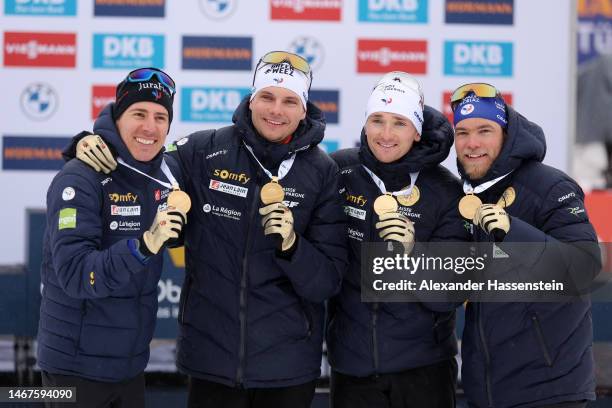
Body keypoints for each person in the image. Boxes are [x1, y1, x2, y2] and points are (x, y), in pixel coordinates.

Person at [71, 51, 348, 408]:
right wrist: (90, 140)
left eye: (289, 101)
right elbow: (139, 163)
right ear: (251, 99)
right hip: (211, 362)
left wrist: (293, 246)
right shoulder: (202, 150)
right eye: (267, 96)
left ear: (304, 108)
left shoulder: (322, 172)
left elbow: (326, 281)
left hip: (288, 370)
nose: (276, 110)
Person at [37, 67, 187, 407]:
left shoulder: (165, 173)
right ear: (117, 116)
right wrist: (145, 246)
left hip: (129, 367)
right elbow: (77, 276)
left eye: (160, 117)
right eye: (139, 113)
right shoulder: (79, 178)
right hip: (72, 370)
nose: (150, 127)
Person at [450, 83, 602, 408]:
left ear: (506, 134)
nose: (471, 143)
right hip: (489, 393)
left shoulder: (549, 186)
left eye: (484, 130)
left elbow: (584, 267)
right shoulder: (467, 197)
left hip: (549, 393)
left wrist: (511, 232)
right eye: (462, 132)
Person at [326, 72, 467, 408]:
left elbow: (450, 294)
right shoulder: (340, 171)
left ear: (417, 131)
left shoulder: (446, 190)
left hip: (423, 368)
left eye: (399, 123)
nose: (385, 134)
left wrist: (413, 253)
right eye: (377, 120)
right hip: (352, 366)